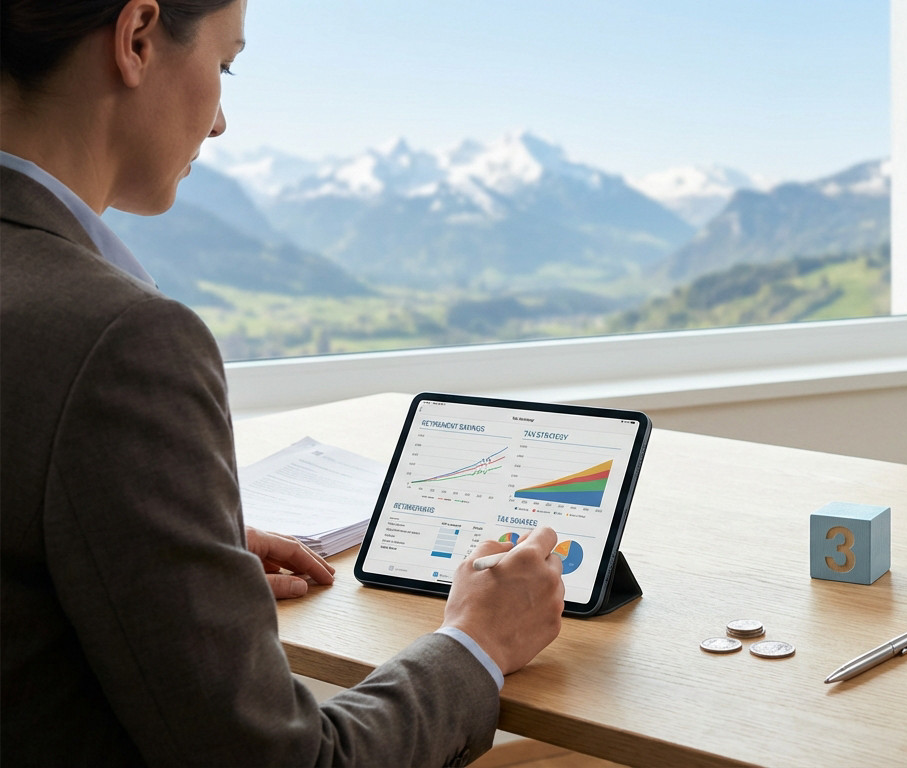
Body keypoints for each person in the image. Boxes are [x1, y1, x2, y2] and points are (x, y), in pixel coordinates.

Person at [0, 1, 567, 765]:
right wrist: (475, 642)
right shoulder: (120, 343)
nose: (222, 121)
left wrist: (171, 560)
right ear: (137, 39)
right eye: (223, 64)